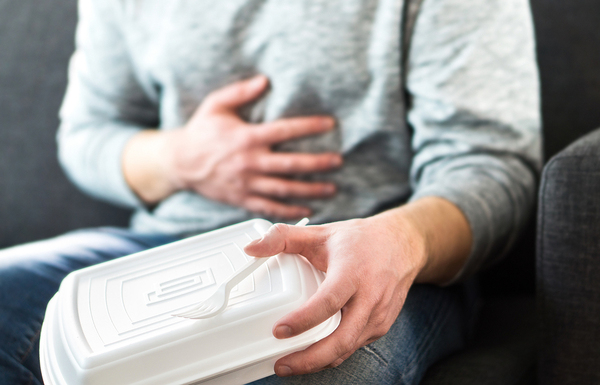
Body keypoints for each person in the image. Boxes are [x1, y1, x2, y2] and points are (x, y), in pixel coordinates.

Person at [0, 0, 541, 384]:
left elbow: (492, 166)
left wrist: (402, 238)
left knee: (304, 368)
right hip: (166, 247)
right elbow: (88, 134)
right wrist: (181, 157)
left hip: (366, 252)